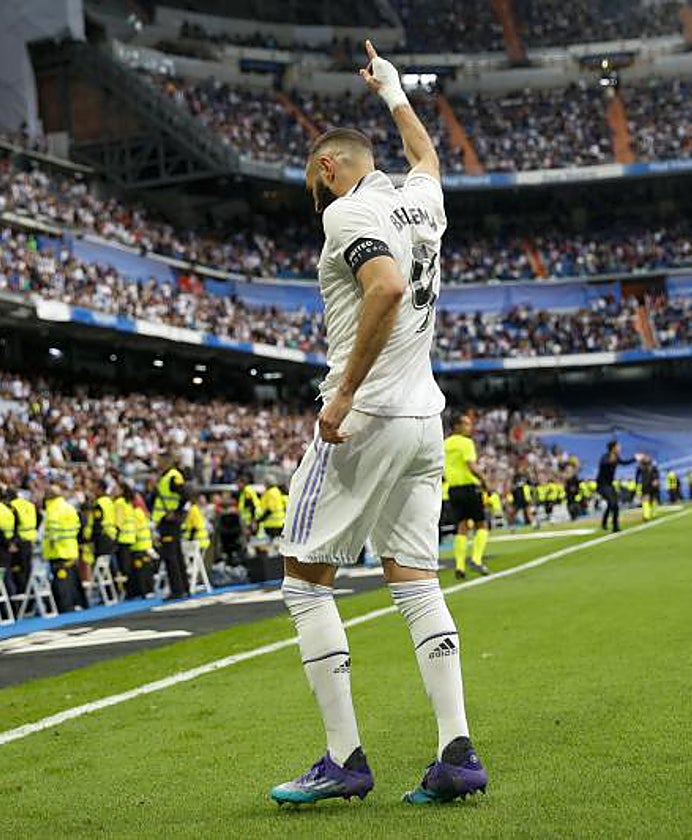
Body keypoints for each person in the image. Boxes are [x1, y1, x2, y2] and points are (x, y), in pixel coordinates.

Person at [269, 41, 487, 808]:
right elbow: (426, 154)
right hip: (427, 418)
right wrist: (394, 92)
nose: (314, 196)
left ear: (329, 167)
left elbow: (386, 287)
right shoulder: (419, 198)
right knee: (416, 580)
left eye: (311, 181)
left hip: (367, 418)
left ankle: (343, 759)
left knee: (303, 580)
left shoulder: (350, 213)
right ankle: (455, 752)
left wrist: (342, 394)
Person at [443, 414, 491, 580]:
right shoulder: (466, 443)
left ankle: (460, 566)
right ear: (456, 426)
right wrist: (485, 481)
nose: (470, 427)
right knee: (481, 525)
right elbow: (471, 466)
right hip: (470, 488)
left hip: (453, 490)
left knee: (462, 527)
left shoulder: (444, 444)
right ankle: (476, 559)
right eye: (466, 424)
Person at [152, 459, 189, 601]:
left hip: (169, 522)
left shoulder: (172, 477)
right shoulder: (167, 477)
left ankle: (177, 590)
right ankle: (184, 587)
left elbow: (185, 494)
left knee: (170, 556)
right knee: (177, 555)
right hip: (167, 521)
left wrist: (176, 511)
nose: (158, 464)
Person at [42, 487, 84, 611]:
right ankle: (78, 603)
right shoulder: (69, 507)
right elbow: (77, 527)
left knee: (62, 581)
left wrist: (50, 545)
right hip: (71, 548)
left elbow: (52, 532)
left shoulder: (52, 509)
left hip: (58, 550)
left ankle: (66, 606)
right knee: (73, 579)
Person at [597, 441, 643, 533]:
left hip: (610, 485)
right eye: (618, 446)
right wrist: (611, 460)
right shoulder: (606, 457)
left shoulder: (616, 457)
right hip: (602, 485)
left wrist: (635, 458)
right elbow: (603, 463)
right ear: (613, 448)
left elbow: (624, 462)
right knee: (613, 503)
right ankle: (614, 526)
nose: (620, 448)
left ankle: (606, 523)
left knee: (613, 504)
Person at [9, 490, 38, 595]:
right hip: (30, 540)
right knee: (27, 570)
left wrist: (13, 541)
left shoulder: (12, 506)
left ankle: (23, 596)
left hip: (19, 542)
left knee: (19, 572)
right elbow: (39, 517)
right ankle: (30, 595)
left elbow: (14, 524)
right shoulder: (29, 504)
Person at [637, 457, 662, 522]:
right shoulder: (642, 468)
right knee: (646, 499)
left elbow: (657, 476)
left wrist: (656, 481)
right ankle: (646, 515)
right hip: (646, 485)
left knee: (653, 499)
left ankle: (652, 514)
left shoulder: (653, 468)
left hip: (651, 485)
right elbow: (637, 476)